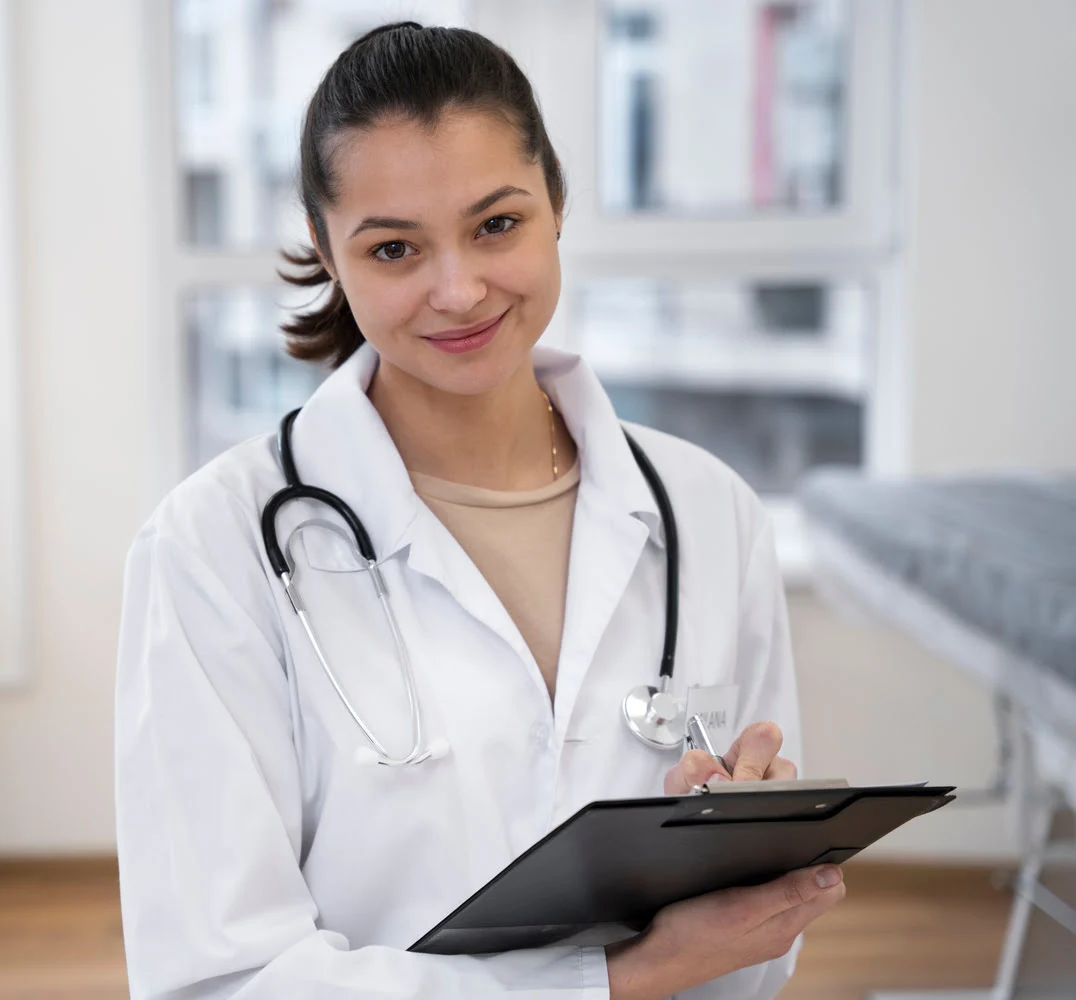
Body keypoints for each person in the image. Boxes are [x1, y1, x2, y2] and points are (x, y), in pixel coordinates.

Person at [115, 22, 843, 999]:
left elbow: (750, 965)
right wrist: (617, 980)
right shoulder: (213, 547)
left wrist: (745, 877)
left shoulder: (711, 517)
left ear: (556, 206)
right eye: (394, 248)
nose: (458, 290)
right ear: (329, 254)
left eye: (496, 225)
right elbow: (221, 976)